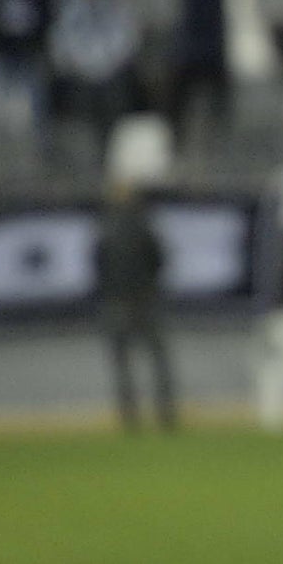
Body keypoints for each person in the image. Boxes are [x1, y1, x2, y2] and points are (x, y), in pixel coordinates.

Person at [95, 177, 177, 432]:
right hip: (144, 300)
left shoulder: (104, 227)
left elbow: (98, 266)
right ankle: (165, 416)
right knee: (156, 360)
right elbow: (159, 259)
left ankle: (131, 419)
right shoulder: (143, 223)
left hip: (118, 302)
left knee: (124, 363)